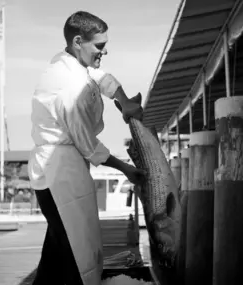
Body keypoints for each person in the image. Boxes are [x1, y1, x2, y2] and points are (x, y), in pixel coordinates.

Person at [28, 10, 146, 285]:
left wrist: (124, 101)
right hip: (59, 173)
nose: (104, 52)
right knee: (76, 258)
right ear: (79, 41)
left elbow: (101, 76)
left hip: (60, 169)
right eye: (100, 46)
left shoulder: (67, 60)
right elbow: (88, 145)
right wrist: (126, 169)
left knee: (58, 251)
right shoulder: (71, 87)